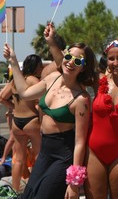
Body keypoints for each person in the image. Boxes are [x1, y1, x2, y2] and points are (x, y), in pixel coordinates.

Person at [3, 42, 97, 199]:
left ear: (83, 67)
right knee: (29, 195)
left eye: (78, 60)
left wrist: (74, 183)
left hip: (63, 156)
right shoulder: (52, 78)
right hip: (44, 152)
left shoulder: (81, 99)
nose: (71, 62)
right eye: (68, 57)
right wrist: (13, 60)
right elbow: (25, 93)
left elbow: (80, 142)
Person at [84, 39, 118, 199]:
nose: (116, 62)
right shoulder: (97, 80)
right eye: (111, 58)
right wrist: (52, 41)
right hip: (94, 152)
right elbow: (66, 65)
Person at [0, 54, 43, 192]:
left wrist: (14, 107)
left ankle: (15, 189)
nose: (42, 68)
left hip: (17, 122)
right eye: (40, 66)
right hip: (31, 120)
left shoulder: (14, 81)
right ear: (36, 66)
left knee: (18, 159)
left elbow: (2, 98)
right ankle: (37, 187)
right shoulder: (33, 80)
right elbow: (45, 100)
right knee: (39, 156)